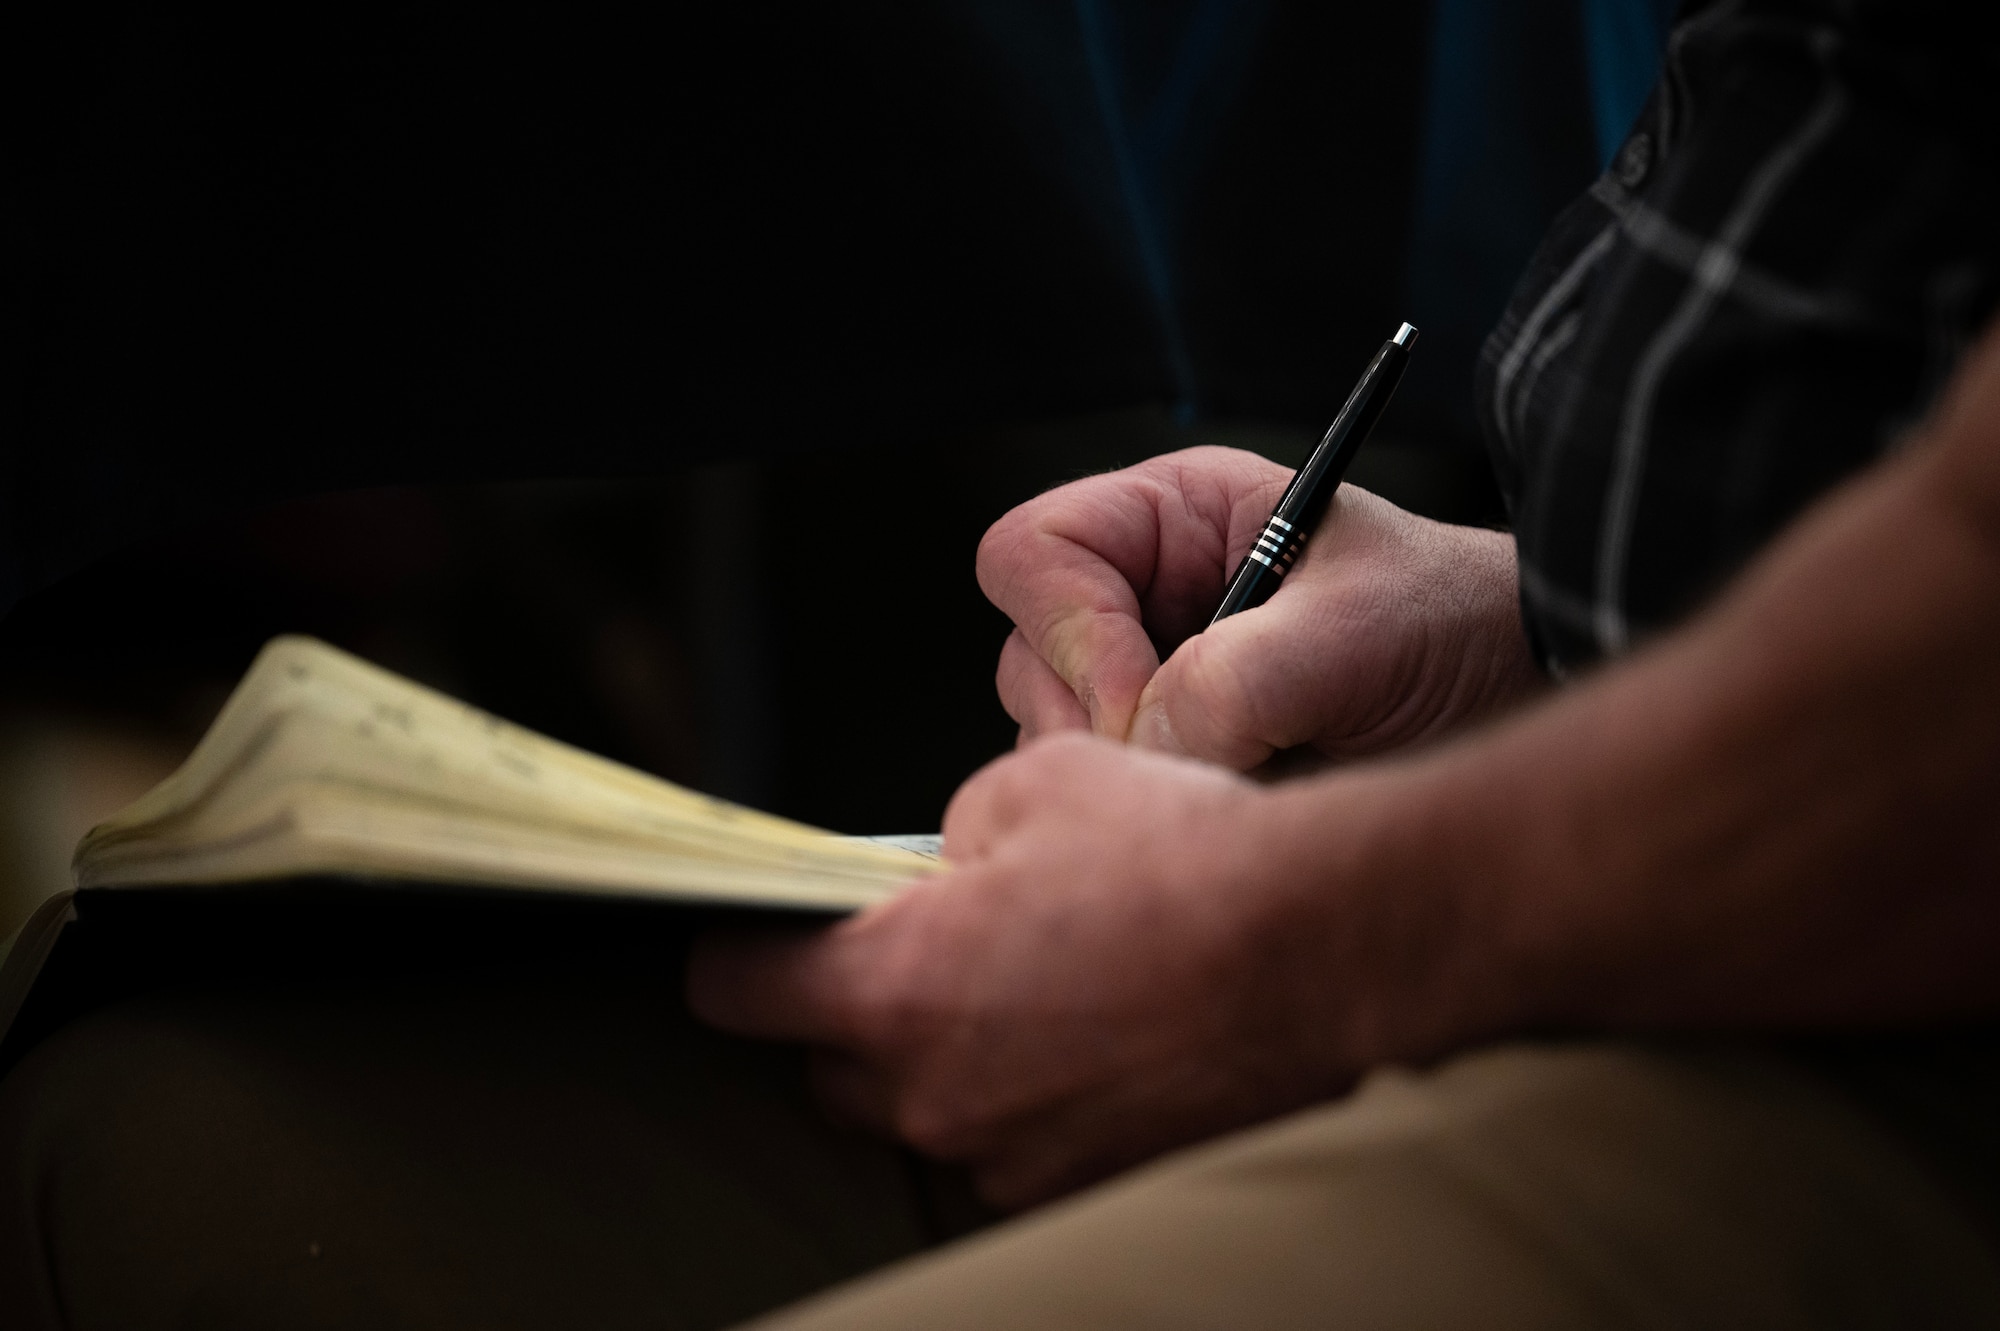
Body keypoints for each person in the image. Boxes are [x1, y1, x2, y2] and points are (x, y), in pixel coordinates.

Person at [6, 1, 2000, 1326]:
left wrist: (1291, 951)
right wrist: (1519, 618)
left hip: (1892, 1031)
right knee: (156, 1145)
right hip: (1728, 876)